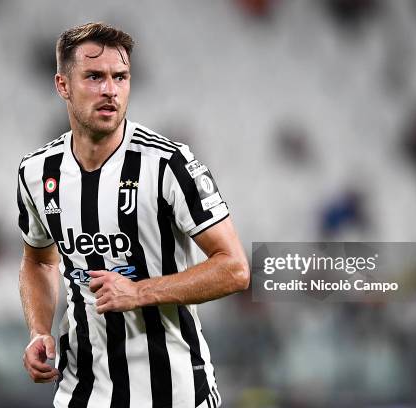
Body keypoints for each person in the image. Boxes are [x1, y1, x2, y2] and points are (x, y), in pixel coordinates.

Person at [16, 22, 249, 408]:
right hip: (82, 393)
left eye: (120, 77)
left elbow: (236, 268)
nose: (110, 90)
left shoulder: (169, 164)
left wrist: (140, 291)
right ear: (62, 85)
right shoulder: (36, 173)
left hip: (175, 394)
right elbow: (38, 262)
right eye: (94, 77)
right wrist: (39, 330)